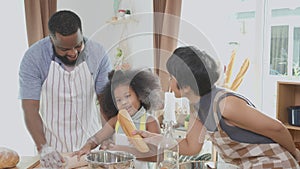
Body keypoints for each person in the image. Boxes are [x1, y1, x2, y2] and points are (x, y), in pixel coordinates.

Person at [133, 46, 300, 168]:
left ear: (186, 86)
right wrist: (154, 137)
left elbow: (277, 129)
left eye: (171, 77)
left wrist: (296, 154)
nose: (168, 82)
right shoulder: (196, 106)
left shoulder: (225, 104)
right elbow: (191, 146)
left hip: (275, 163)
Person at [18, 10, 112, 168]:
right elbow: (30, 108)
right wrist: (43, 147)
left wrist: (107, 137)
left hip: (91, 147)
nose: (73, 53)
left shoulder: (97, 54)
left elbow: (105, 101)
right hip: (54, 149)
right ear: (52, 39)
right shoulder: (34, 58)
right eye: (64, 49)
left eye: (78, 45)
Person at [73, 69, 162, 168]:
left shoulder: (150, 122)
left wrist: (120, 150)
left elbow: (158, 156)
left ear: (139, 95)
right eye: (118, 100)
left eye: (127, 96)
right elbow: (97, 138)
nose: (123, 102)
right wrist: (88, 145)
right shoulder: (116, 121)